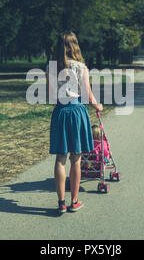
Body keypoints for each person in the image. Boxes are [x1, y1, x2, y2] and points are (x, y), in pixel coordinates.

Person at [46, 31, 103, 214]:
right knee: (76, 158)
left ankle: (61, 202)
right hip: (77, 112)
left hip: (61, 112)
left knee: (60, 159)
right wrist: (98, 105)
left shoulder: (51, 68)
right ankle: (74, 201)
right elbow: (87, 96)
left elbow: (52, 97)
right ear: (75, 46)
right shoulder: (81, 67)